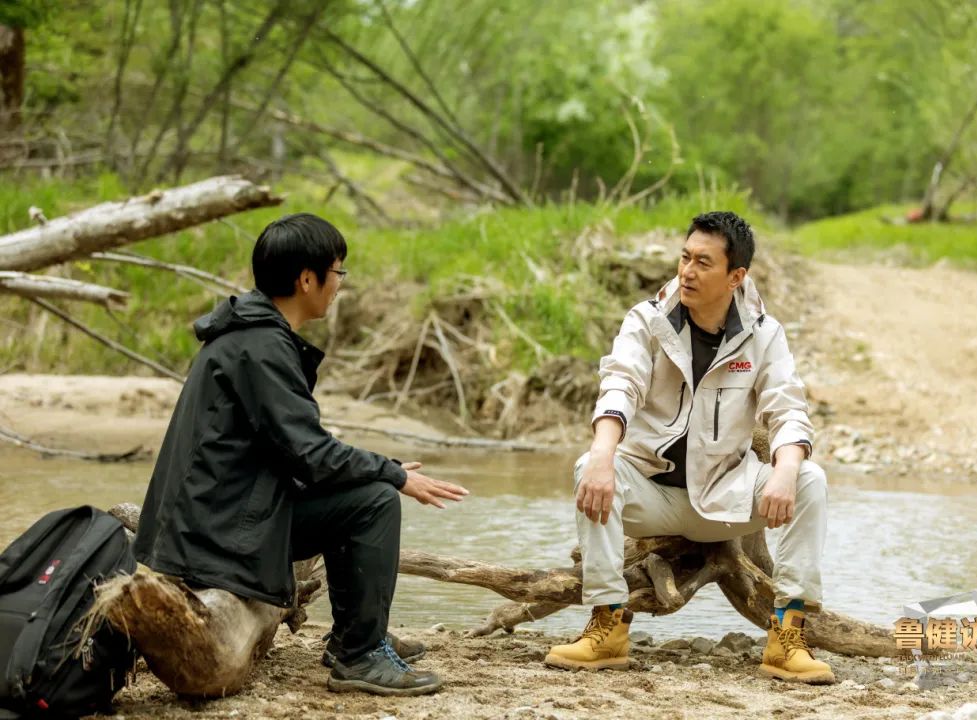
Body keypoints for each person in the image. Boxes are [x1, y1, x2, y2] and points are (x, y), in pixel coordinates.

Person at [134, 213, 468, 696]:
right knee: (374, 500)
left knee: (364, 488)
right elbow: (310, 454)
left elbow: (296, 448)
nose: (339, 284)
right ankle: (360, 655)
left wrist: (377, 469)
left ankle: (354, 637)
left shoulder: (251, 334)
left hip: (209, 521)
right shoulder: (261, 346)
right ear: (307, 279)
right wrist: (392, 474)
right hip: (214, 535)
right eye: (338, 272)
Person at [544, 211, 834, 684]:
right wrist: (602, 454)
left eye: (703, 262)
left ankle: (787, 636)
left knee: (809, 480)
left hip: (726, 498)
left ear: (735, 276)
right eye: (684, 257)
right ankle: (607, 627)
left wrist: (783, 469)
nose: (687, 271)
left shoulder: (764, 334)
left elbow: (788, 410)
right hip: (651, 494)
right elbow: (621, 384)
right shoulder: (647, 320)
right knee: (587, 467)